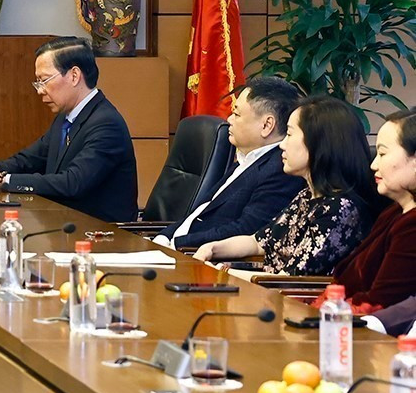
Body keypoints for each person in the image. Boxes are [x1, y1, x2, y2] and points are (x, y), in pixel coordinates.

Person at [0, 36, 139, 222]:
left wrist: (2, 180)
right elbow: (28, 160)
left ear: (74, 76)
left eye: (44, 80)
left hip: (104, 237)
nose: (39, 90)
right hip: (65, 226)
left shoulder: (106, 124)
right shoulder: (65, 118)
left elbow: (72, 182)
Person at [192, 96, 376, 275]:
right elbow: (258, 242)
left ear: (318, 144)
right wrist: (213, 248)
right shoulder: (306, 196)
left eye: (289, 134)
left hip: (297, 301)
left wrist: (224, 272)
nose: (282, 145)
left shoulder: (340, 209)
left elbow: (289, 278)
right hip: (268, 292)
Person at [165, 77, 306, 251]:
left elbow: (246, 231)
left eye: (237, 114)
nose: (229, 119)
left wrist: (176, 244)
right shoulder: (245, 159)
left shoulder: (281, 170)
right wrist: (164, 236)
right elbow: (199, 214)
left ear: (267, 125)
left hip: (203, 261)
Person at [326, 109, 416, 313]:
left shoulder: (412, 225)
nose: (374, 165)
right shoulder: (393, 212)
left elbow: (380, 303)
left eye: (382, 154)